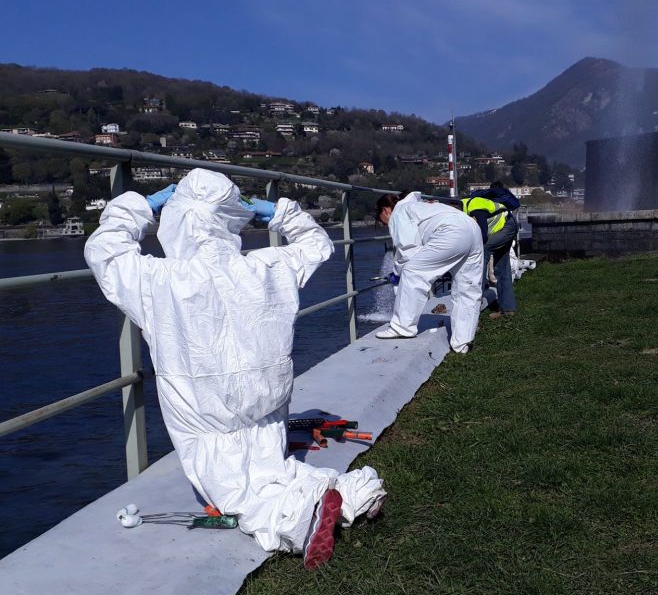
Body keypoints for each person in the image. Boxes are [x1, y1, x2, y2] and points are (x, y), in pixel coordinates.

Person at [84, 168, 386, 569]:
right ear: (233, 220)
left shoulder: (158, 277)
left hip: (203, 404)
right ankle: (353, 492)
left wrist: (140, 205)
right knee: (274, 464)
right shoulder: (267, 265)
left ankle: (299, 517)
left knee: (233, 489)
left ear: (175, 221)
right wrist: (277, 212)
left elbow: (104, 249)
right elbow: (317, 243)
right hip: (268, 395)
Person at [375, 190, 483, 353]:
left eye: (382, 222)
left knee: (413, 272)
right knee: (467, 287)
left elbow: (408, 251)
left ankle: (402, 327)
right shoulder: (419, 206)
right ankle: (462, 343)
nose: (385, 225)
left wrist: (398, 275)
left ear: (385, 210)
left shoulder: (399, 212)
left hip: (451, 230)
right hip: (472, 228)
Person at [461, 185, 518, 319]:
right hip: (508, 224)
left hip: (506, 227)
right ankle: (507, 309)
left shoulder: (474, 206)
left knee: (481, 254)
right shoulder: (467, 206)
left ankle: (472, 315)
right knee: (502, 266)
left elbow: (483, 234)